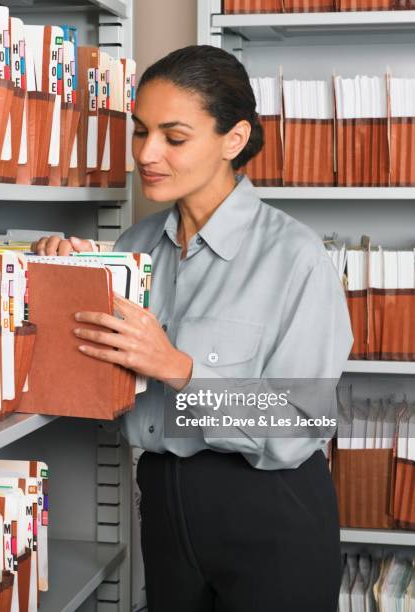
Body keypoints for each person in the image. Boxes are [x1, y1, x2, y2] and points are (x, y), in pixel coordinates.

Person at [32, 45, 353, 612]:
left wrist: (176, 368)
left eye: (173, 137)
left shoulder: (296, 257)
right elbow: (96, 383)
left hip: (270, 510)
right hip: (163, 501)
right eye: (140, 132)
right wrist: (58, 280)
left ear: (233, 140)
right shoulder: (133, 248)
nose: (147, 154)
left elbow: (303, 423)